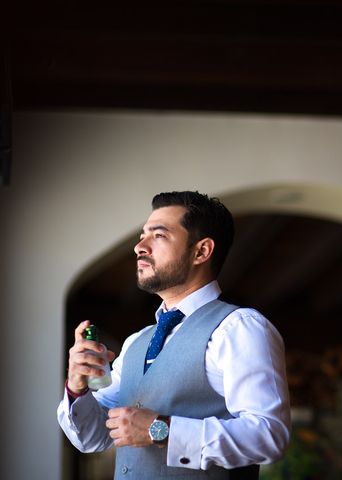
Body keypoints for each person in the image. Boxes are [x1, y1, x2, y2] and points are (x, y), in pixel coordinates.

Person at [58, 191, 291, 479]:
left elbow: (269, 436)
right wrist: (77, 389)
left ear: (201, 251)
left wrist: (162, 430)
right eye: (143, 235)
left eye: (159, 235)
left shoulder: (240, 328)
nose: (139, 247)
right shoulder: (136, 342)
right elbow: (93, 438)